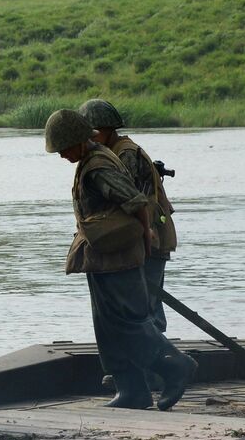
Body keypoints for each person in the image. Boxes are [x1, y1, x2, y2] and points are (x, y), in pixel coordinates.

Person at [44, 109, 197, 411]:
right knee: (108, 326)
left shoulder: (98, 167)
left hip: (119, 258)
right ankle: (132, 391)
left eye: (63, 149)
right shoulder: (93, 157)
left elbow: (137, 202)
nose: (62, 156)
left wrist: (145, 239)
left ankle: (174, 366)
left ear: (77, 141)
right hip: (103, 257)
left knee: (128, 323)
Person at [77, 99, 178, 331]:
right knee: (142, 305)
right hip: (141, 234)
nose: (89, 139)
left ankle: (159, 360)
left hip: (149, 235)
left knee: (146, 307)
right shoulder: (112, 152)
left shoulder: (125, 154)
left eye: (93, 133)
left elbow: (130, 200)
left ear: (106, 130)